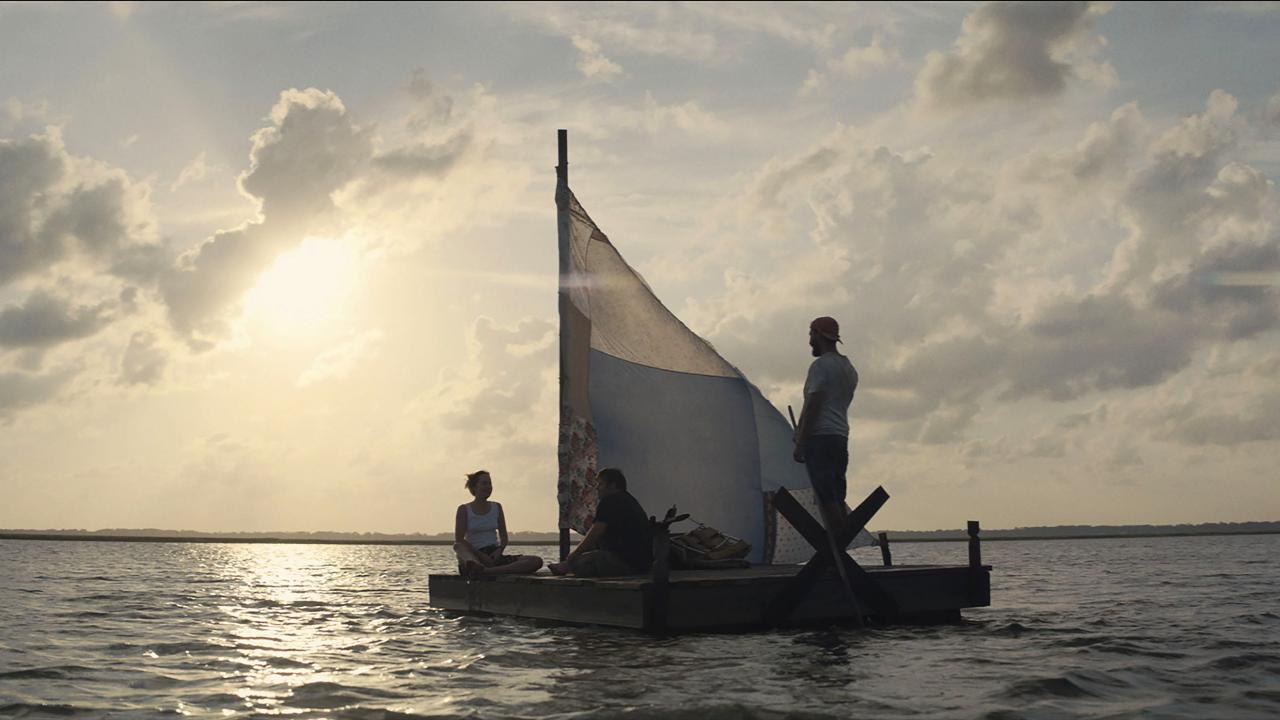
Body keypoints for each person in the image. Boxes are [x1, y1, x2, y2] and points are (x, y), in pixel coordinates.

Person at [792, 316, 859, 538]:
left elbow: (814, 406)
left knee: (825, 495)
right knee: (837, 495)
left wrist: (801, 441)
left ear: (818, 335)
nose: (809, 340)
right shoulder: (848, 368)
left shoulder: (820, 366)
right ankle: (840, 547)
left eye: (811, 334)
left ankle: (837, 548)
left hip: (820, 438)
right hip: (840, 437)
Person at [548, 468, 652, 577]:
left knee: (581, 563)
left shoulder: (610, 501)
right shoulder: (630, 501)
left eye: (600, 484)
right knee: (592, 552)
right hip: (642, 564)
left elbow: (595, 532)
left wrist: (573, 556)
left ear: (612, 485)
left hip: (625, 563)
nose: (597, 488)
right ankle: (567, 565)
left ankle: (567, 565)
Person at [454, 470, 543, 577]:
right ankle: (476, 567)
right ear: (474, 487)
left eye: (490, 483)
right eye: (484, 483)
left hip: (493, 554)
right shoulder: (464, 509)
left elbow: (504, 538)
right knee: (458, 546)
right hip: (474, 555)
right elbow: (459, 539)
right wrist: (481, 556)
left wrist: (498, 551)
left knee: (536, 561)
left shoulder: (497, 507)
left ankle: (487, 571)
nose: (488, 487)